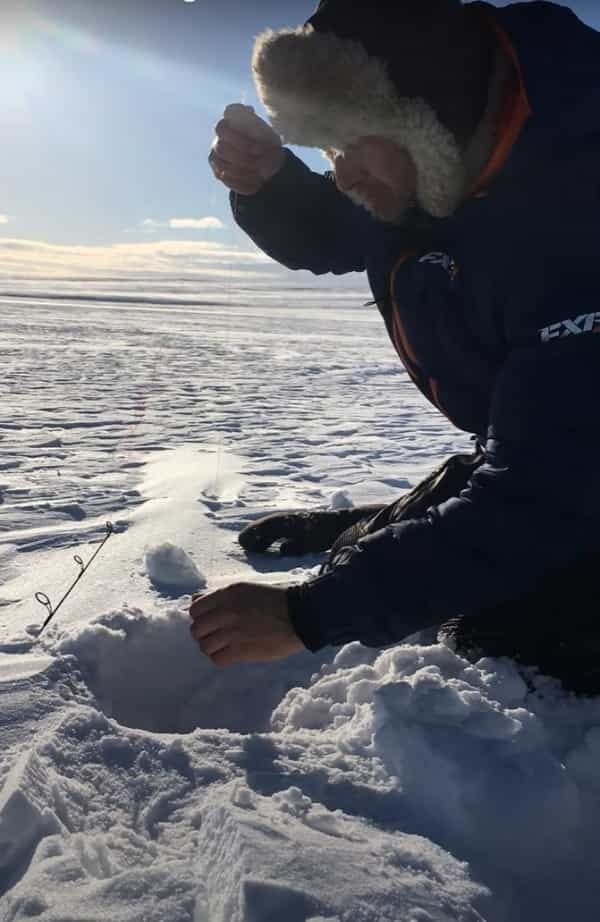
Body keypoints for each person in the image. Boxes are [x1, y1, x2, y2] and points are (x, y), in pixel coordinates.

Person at [190, 0, 600, 694]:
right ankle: (406, 522)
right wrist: (271, 186)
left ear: (425, 110)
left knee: (528, 633)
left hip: (569, 472)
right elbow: (345, 228)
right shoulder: (451, 159)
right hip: (556, 447)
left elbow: (548, 498)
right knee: (470, 539)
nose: (341, 173)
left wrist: (310, 614)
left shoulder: (576, 210)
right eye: (327, 148)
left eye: (350, 140)